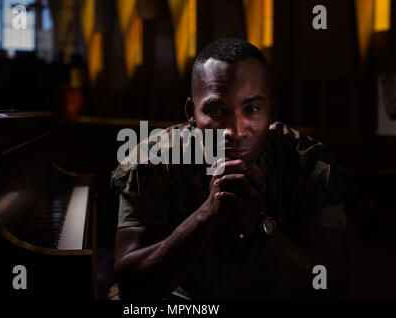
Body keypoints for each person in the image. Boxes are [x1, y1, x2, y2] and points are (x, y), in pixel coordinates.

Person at [110, 38, 352, 299]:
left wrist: (257, 226)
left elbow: (331, 285)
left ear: (271, 111)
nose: (234, 131)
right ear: (191, 112)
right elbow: (131, 284)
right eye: (216, 109)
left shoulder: (308, 163)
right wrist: (206, 215)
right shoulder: (153, 160)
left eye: (252, 109)